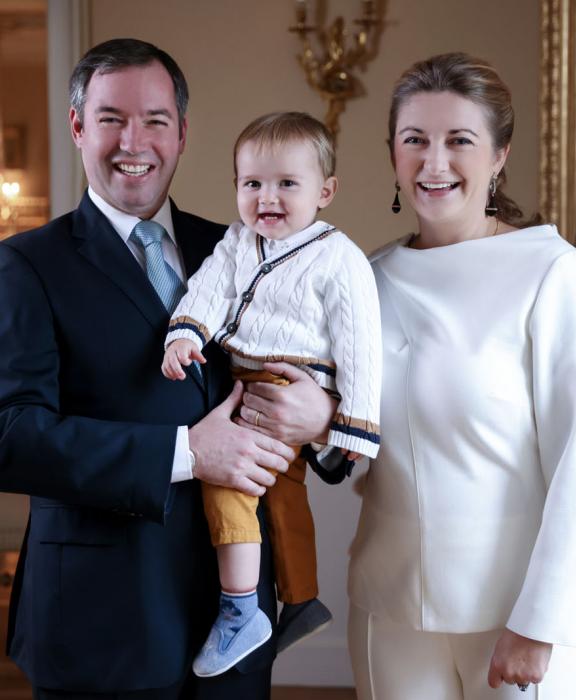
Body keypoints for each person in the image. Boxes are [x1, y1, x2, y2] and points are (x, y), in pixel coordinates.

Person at [250, 52, 576, 698]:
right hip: (390, 611)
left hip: (517, 615)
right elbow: (353, 452)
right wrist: (319, 425)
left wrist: (542, 621)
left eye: (460, 141)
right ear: (393, 152)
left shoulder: (551, 274)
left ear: (500, 154)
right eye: (414, 140)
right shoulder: (365, 279)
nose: (434, 162)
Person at [0, 38, 336, 700]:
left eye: (156, 120)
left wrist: (322, 416)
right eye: (111, 119)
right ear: (77, 127)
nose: (135, 141)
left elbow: (307, 369)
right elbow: (12, 437)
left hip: (236, 616)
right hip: (99, 624)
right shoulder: (26, 265)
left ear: (182, 133)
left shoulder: (245, 248)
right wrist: (186, 453)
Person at [161, 111, 381, 677]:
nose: (267, 197)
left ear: (325, 191)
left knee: (228, 481)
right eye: (252, 183)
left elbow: (360, 343)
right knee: (281, 496)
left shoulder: (339, 256)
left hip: (292, 379)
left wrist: (353, 423)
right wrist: (186, 330)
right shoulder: (239, 241)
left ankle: (240, 610)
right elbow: (207, 288)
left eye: (288, 183)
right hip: (241, 375)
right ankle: (302, 597)